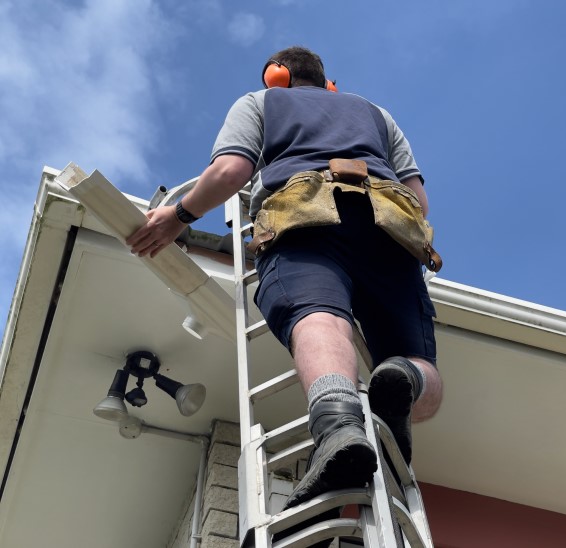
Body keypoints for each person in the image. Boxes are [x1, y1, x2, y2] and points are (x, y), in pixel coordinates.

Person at [127, 46, 443, 512]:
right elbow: (418, 199)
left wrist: (178, 214)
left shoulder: (261, 103)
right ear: (328, 82)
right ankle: (404, 378)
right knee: (418, 366)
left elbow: (232, 170)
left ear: (276, 77)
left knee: (318, 316)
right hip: (391, 229)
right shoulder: (376, 114)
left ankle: (339, 429)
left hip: (304, 216)